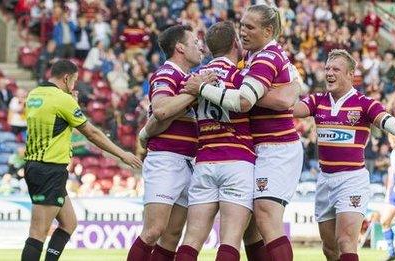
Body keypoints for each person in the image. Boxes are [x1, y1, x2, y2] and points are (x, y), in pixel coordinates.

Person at [182, 5, 303, 261]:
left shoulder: (266, 57)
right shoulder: (247, 59)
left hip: (276, 147)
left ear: (268, 30)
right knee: (249, 232)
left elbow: (246, 101)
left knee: (266, 215)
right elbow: (289, 90)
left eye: (250, 27)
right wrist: (287, 93)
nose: (243, 32)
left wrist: (202, 89)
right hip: (252, 150)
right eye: (242, 26)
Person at [292, 49, 395, 261]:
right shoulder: (317, 100)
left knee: (346, 242)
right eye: (327, 68)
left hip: (352, 179)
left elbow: (389, 123)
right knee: (329, 249)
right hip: (324, 180)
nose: (329, 73)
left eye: (336, 69)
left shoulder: (365, 103)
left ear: (350, 74)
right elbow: (290, 109)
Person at [21, 59, 142, 261]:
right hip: (49, 168)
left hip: (36, 166)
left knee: (69, 223)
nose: (74, 86)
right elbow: (91, 133)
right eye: (74, 81)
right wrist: (122, 154)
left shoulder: (34, 95)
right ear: (67, 78)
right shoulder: (62, 100)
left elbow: (53, 121)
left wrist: (70, 102)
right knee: (37, 233)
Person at [127, 24, 209, 261]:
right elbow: (161, 110)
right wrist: (195, 93)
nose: (200, 47)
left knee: (173, 236)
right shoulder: (166, 73)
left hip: (188, 161)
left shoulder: (187, 77)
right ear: (180, 47)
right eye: (195, 42)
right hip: (166, 158)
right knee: (153, 231)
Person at [175, 21, 256, 261]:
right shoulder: (242, 76)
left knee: (190, 241)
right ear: (235, 43)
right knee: (230, 242)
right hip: (237, 161)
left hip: (205, 162)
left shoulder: (194, 78)